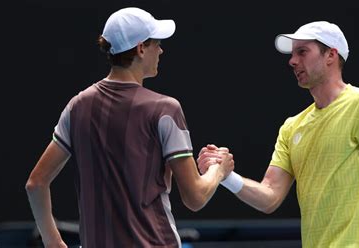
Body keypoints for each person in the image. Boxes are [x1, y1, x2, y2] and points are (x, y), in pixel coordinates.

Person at [197, 21, 359, 247]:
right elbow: (269, 197)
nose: (292, 61)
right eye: (293, 54)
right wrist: (225, 176)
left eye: (302, 51)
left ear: (330, 55)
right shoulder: (292, 127)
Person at [25, 7, 234, 248]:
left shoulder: (77, 106)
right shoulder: (165, 109)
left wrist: (53, 242)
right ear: (141, 48)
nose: (161, 50)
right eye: (156, 43)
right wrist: (219, 169)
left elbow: (36, 183)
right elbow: (195, 197)